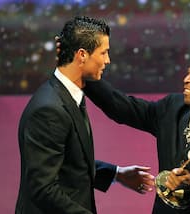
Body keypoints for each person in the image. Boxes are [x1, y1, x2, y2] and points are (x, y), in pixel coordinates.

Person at [83, 46, 190, 214]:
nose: (187, 79)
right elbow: (124, 108)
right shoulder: (173, 107)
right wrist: (84, 76)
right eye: (189, 72)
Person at [16, 16, 154, 214]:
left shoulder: (67, 95)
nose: (108, 60)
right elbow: (43, 188)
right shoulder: (49, 110)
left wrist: (116, 174)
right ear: (82, 55)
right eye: (104, 52)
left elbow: (69, 164)